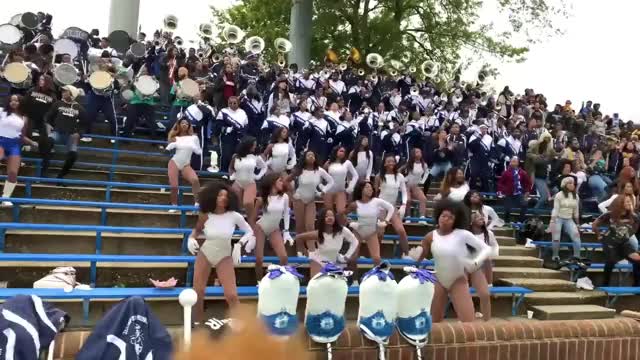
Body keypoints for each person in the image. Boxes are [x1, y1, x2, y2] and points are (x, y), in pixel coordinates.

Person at [187, 182, 255, 324]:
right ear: (213, 197)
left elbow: (249, 231)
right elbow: (197, 230)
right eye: (220, 195)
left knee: (231, 294)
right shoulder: (205, 215)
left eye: (226, 195)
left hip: (224, 255)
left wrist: (239, 245)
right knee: (198, 292)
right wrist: (191, 238)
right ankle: (197, 325)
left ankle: (239, 325)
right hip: (205, 253)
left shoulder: (234, 216)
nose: (223, 198)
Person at [416, 199, 492, 323]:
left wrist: (475, 262)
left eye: (450, 217)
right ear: (438, 216)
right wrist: (413, 259)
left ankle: (485, 323)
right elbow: (420, 254)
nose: (445, 219)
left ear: (455, 221)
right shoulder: (430, 236)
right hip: (439, 280)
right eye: (443, 216)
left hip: (458, 280)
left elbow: (486, 249)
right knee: (434, 321)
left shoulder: (462, 234)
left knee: (468, 322)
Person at [288, 150, 334, 255]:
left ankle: (312, 251)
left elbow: (331, 181)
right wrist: (293, 193)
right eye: (308, 155)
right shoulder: (299, 170)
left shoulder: (320, 171)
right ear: (304, 158)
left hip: (311, 200)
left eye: (313, 155)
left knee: (310, 226)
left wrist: (323, 191)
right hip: (299, 199)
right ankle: (300, 250)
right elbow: (286, 181)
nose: (311, 157)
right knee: (300, 226)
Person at [343, 181, 395, 267]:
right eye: (367, 187)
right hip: (358, 232)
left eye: (371, 187)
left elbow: (391, 208)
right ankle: (354, 280)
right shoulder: (355, 204)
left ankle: (374, 278)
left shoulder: (377, 201)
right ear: (361, 190)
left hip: (371, 232)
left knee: (376, 258)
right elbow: (343, 214)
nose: (370, 189)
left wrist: (386, 221)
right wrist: (350, 223)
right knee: (353, 258)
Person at [295, 208, 358, 277]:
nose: (329, 218)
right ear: (322, 219)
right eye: (326, 216)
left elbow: (355, 241)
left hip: (334, 262)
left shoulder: (342, 230)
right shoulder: (318, 233)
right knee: (317, 284)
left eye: (332, 216)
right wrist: (306, 252)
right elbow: (298, 237)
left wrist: (347, 256)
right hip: (318, 262)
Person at [592, 196, 640, 286]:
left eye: (630, 201)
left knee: (637, 260)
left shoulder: (633, 216)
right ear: (620, 203)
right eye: (627, 202)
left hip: (624, 243)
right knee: (610, 261)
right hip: (610, 242)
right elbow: (594, 225)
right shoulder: (609, 214)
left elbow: (636, 227)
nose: (629, 203)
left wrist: (628, 234)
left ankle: (637, 284)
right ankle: (605, 285)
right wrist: (599, 236)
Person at [254, 173, 292, 281]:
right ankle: (259, 281)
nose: (282, 182)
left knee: (284, 257)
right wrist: (251, 233)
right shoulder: (262, 198)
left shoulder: (284, 197)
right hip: (261, 227)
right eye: (280, 180)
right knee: (259, 259)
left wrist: (286, 230)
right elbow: (252, 218)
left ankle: (283, 280)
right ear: (272, 182)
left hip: (274, 228)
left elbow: (286, 214)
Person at [0, 95, 36, 206]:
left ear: (21, 103)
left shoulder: (24, 118)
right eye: (11, 100)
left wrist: (32, 142)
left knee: (13, 173)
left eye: (16, 100)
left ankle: (5, 198)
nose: (13, 102)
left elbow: (21, 136)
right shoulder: (1, 111)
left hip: (14, 145)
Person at [42, 85, 84, 179]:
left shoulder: (79, 108)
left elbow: (85, 124)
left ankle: (61, 176)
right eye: (63, 91)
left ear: (72, 94)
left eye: (65, 91)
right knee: (47, 142)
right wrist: (48, 128)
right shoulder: (58, 104)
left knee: (73, 155)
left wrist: (79, 134)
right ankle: (44, 171)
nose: (63, 92)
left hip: (70, 136)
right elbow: (47, 118)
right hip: (57, 133)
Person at [374, 155, 411, 257]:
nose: (391, 163)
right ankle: (376, 255)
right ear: (384, 163)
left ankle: (406, 255)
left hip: (392, 207)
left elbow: (404, 192)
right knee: (380, 234)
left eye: (393, 161)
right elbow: (374, 193)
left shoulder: (399, 176)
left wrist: (403, 205)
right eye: (388, 161)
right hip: (381, 207)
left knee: (401, 231)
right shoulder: (379, 176)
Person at [229, 136, 267, 228]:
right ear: (247, 145)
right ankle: (236, 224)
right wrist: (231, 176)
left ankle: (251, 223)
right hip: (238, 182)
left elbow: (264, 167)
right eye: (253, 145)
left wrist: (258, 176)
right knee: (235, 204)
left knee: (248, 203)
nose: (255, 146)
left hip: (250, 182)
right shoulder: (236, 156)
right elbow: (231, 168)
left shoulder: (256, 157)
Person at [469, 211, 499, 321]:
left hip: (482, 262)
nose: (481, 218)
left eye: (482, 216)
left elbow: (495, 246)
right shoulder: (466, 233)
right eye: (477, 217)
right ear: (471, 221)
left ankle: (490, 284)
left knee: (487, 259)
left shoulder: (489, 233)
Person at [166, 118, 201, 210]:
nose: (184, 125)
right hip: (174, 162)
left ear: (189, 126)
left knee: (195, 180)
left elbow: (198, 150)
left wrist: (196, 148)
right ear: (179, 125)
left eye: (186, 123)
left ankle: (197, 204)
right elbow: (169, 142)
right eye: (182, 123)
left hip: (186, 164)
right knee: (174, 186)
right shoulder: (175, 137)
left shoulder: (194, 137)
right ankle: (174, 205)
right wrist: (175, 126)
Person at [549, 176, 581, 262]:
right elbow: (555, 209)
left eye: (573, 183)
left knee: (576, 237)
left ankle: (576, 257)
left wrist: (577, 224)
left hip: (569, 219)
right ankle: (555, 255)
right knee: (556, 238)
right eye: (570, 183)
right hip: (558, 218)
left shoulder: (576, 196)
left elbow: (576, 211)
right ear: (564, 185)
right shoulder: (559, 195)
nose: (572, 185)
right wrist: (552, 221)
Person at [214, 96, 248, 172]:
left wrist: (242, 135)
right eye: (230, 103)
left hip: (239, 137)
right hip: (227, 137)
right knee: (226, 155)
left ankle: (235, 174)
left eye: (234, 103)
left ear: (238, 103)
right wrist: (226, 129)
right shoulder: (223, 111)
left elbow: (246, 126)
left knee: (237, 156)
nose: (232, 104)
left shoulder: (242, 112)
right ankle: (223, 173)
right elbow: (218, 125)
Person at [324, 145, 359, 216]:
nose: (342, 153)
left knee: (341, 211)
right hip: (329, 191)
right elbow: (321, 175)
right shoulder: (329, 163)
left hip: (341, 191)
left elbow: (356, 175)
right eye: (341, 151)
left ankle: (342, 226)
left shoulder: (347, 163)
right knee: (329, 212)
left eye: (344, 152)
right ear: (336, 151)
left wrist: (350, 187)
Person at [497, 157, 532, 224]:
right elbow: (500, 183)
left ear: (518, 163)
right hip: (509, 193)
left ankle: (520, 221)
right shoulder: (506, 172)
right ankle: (507, 221)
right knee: (507, 208)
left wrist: (527, 191)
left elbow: (528, 183)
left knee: (525, 204)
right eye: (511, 161)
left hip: (519, 193)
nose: (512, 162)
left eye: (514, 161)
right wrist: (501, 191)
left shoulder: (523, 173)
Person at [400, 147, 429, 220]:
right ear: (413, 154)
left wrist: (422, 181)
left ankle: (422, 217)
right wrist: (401, 179)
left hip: (415, 185)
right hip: (407, 184)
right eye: (417, 152)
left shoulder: (424, 165)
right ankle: (408, 217)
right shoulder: (409, 163)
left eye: (420, 152)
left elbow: (426, 173)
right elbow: (399, 170)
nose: (419, 153)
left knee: (423, 199)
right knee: (408, 200)